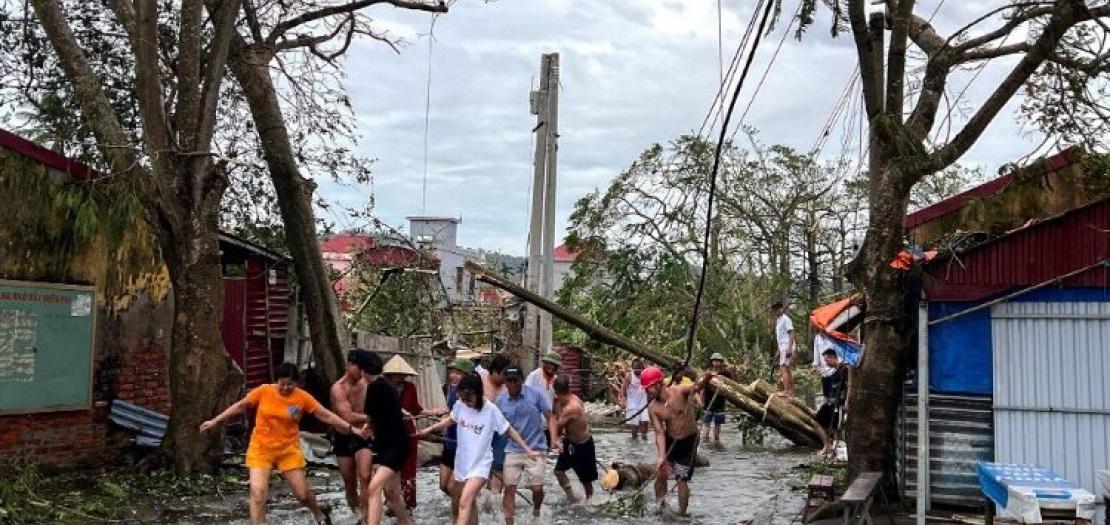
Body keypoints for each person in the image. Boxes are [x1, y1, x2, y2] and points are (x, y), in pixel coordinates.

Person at [200, 362, 364, 525]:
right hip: (261, 449)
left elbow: (326, 415)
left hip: (288, 450)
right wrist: (215, 420)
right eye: (282, 383)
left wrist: (350, 428)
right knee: (258, 493)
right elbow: (241, 405)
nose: (285, 387)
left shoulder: (302, 397)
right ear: (277, 381)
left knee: (302, 495)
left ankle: (319, 514)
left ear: (297, 383)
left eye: (290, 384)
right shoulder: (264, 391)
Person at [417, 373, 543, 525]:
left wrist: (527, 450)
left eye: (469, 399)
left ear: (478, 393)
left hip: (480, 466)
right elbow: (451, 419)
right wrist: (427, 430)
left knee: (464, 502)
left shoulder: (491, 410)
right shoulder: (460, 404)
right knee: (463, 503)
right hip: (461, 464)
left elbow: (509, 429)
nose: (466, 402)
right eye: (463, 398)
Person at [355, 351, 414, 525]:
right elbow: (375, 417)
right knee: (392, 492)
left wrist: (368, 426)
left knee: (374, 488)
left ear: (363, 371)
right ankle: (407, 523)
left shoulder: (378, 387)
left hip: (395, 446)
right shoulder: (382, 386)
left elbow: (372, 416)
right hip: (388, 444)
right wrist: (369, 426)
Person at [643, 366, 710, 515]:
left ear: (659, 384)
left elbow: (697, 385)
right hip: (669, 438)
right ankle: (660, 507)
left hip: (688, 440)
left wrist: (705, 377)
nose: (647, 392)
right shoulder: (654, 407)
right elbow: (659, 433)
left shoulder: (679, 391)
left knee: (681, 478)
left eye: (649, 388)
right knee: (661, 474)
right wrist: (661, 456)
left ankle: (681, 514)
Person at [496, 365, 556, 524]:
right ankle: (509, 522)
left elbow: (550, 417)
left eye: (515, 380)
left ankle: (536, 511)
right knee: (509, 488)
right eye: (508, 381)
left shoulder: (535, 395)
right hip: (512, 449)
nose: (511, 384)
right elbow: (494, 424)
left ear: (521, 381)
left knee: (537, 488)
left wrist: (554, 440)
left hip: (536, 448)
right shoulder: (501, 400)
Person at [330, 350, 373, 518]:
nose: (361, 373)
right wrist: (372, 416)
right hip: (343, 436)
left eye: (364, 369)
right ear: (349, 365)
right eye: (359, 368)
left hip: (364, 435)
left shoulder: (367, 383)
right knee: (349, 481)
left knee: (365, 475)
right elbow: (347, 416)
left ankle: (366, 516)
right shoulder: (338, 388)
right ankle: (355, 513)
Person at [552, 374, 598, 504]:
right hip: (570, 442)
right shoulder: (564, 401)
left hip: (583, 445)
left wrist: (556, 441)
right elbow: (560, 424)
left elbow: (558, 425)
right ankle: (571, 497)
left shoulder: (572, 407)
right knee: (559, 471)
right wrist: (560, 441)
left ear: (559, 392)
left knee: (586, 481)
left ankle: (589, 502)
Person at [440, 357, 475, 521]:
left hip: (463, 448)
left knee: (452, 486)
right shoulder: (451, 389)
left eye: (457, 372)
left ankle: (464, 508)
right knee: (443, 485)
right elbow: (451, 411)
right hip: (449, 443)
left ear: (467, 375)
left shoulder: (473, 396)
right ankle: (463, 500)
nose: (453, 375)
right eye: (452, 371)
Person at [477, 353, 511, 493]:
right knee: (480, 466)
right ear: (495, 372)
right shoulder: (479, 379)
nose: (506, 378)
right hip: (480, 431)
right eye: (504, 374)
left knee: (498, 465)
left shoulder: (509, 386)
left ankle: (495, 499)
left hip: (500, 432)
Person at [815, 348, 848, 458]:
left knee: (835, 428)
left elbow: (846, 388)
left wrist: (846, 402)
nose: (826, 363)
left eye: (827, 360)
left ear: (833, 357)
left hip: (837, 404)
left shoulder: (844, 369)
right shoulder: (836, 370)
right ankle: (827, 446)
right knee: (817, 422)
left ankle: (831, 450)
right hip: (830, 403)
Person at [701, 353, 734, 447]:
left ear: (721, 362)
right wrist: (701, 399)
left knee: (718, 424)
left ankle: (716, 439)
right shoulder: (707, 373)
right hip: (708, 401)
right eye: (714, 361)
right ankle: (705, 439)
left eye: (718, 361)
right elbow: (702, 387)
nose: (716, 363)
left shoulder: (725, 373)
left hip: (720, 402)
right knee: (706, 423)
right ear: (711, 362)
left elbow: (733, 384)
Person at [618, 358, 650, 440]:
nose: (637, 370)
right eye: (635, 368)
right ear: (632, 368)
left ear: (642, 368)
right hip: (633, 404)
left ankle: (644, 438)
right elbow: (623, 388)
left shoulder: (645, 375)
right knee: (635, 426)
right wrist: (622, 399)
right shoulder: (629, 376)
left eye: (639, 368)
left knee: (645, 421)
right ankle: (634, 442)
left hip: (643, 403)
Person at [771, 300, 796, 399]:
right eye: (775, 309)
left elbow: (791, 333)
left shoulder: (786, 319)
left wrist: (789, 348)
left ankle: (787, 391)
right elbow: (780, 338)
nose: (776, 311)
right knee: (787, 370)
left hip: (787, 346)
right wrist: (778, 351)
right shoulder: (778, 321)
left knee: (784, 369)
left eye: (778, 308)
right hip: (782, 347)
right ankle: (791, 392)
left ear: (781, 309)